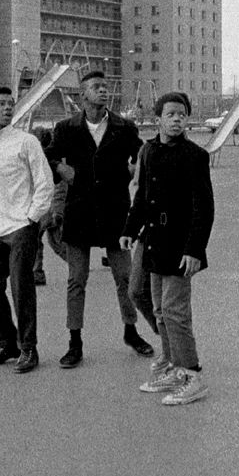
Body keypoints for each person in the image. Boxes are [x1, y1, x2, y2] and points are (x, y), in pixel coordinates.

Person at [40, 70, 156, 368]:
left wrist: (135, 172)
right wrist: (61, 170)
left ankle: (131, 332)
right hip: (79, 212)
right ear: (83, 95)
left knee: (125, 278)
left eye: (105, 87)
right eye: (96, 87)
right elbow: (48, 156)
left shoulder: (123, 127)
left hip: (116, 211)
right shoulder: (66, 128)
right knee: (76, 279)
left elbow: (143, 154)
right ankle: (74, 342)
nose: (103, 91)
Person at [124, 91, 215, 406]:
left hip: (179, 245)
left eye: (182, 114)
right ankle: (174, 364)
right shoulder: (148, 151)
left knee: (175, 313)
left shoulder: (194, 155)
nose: (177, 119)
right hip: (153, 242)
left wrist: (194, 249)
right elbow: (141, 196)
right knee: (156, 307)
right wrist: (129, 230)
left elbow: (204, 208)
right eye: (171, 114)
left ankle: (191, 375)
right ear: (158, 118)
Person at [0, 85, 56, 374]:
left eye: (11, 104)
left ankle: (28, 348)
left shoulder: (26, 142)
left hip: (21, 224)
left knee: (21, 286)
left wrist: (33, 217)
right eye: (1, 104)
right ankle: (7, 343)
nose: (8, 108)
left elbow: (44, 181)